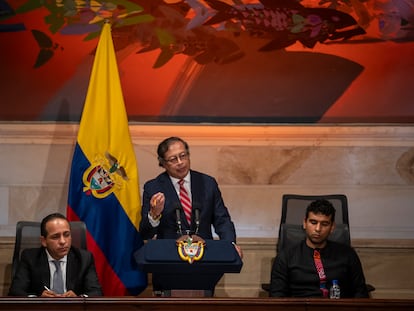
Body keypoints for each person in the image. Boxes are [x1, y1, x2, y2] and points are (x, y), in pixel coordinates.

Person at [139, 136, 242, 257]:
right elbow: (145, 233)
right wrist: (154, 215)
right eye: (173, 159)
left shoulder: (207, 183)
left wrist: (230, 244)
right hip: (168, 260)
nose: (180, 162)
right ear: (163, 163)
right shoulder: (153, 188)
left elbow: (222, 219)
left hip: (205, 259)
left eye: (183, 156)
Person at [269, 199, 369, 298]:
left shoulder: (348, 254)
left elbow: (360, 292)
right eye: (313, 222)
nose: (318, 229)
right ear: (304, 223)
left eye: (324, 224)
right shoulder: (286, 256)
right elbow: (277, 296)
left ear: (332, 227)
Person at [9, 213, 103, 297]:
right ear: (44, 241)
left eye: (66, 235)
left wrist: (78, 299)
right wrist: (38, 299)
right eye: (55, 237)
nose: (63, 241)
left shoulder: (84, 258)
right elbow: (16, 291)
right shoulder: (30, 258)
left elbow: (96, 292)